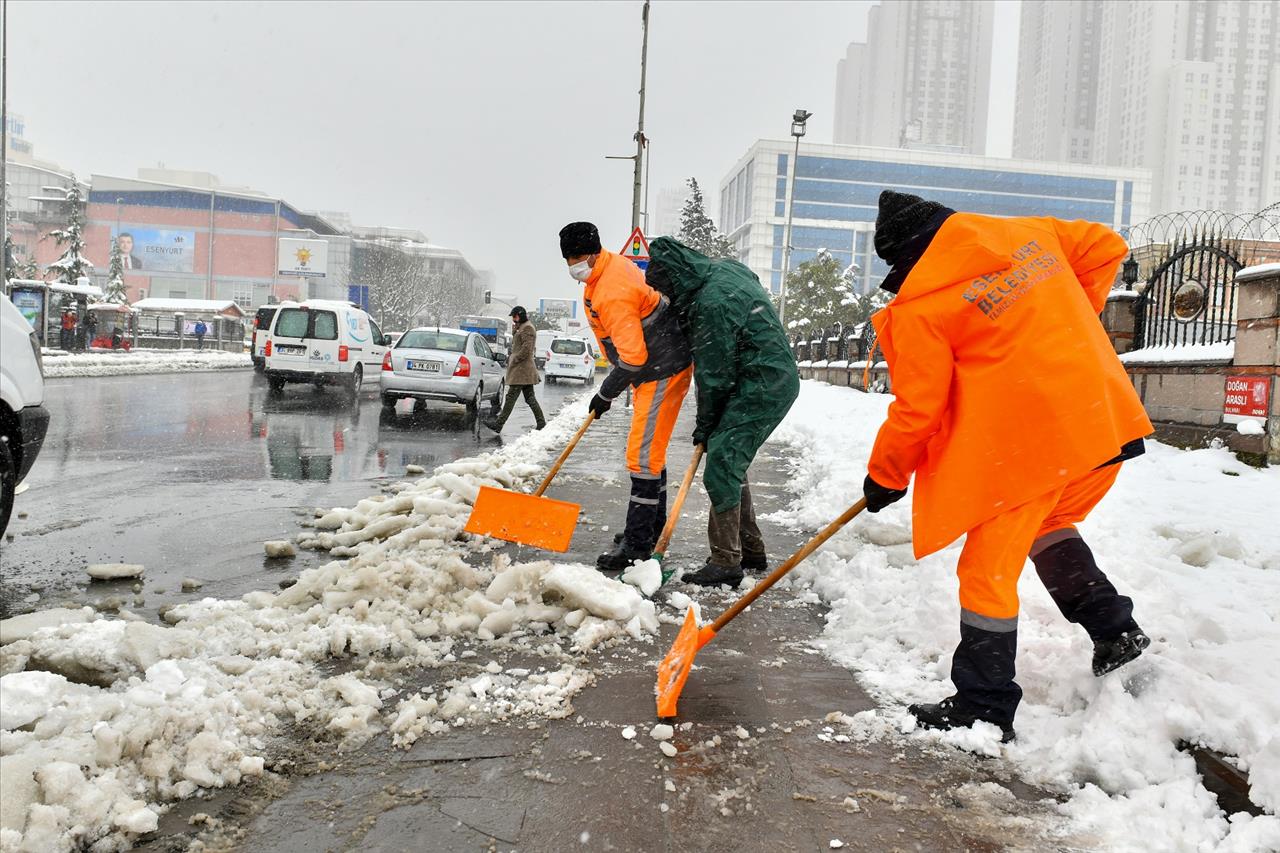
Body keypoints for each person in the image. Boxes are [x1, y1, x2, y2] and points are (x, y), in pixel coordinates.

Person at [862, 190, 1154, 743]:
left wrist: (886, 476)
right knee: (1044, 527)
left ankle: (984, 705)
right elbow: (1104, 246)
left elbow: (917, 409)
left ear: (904, 259)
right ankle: (1115, 631)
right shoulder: (1031, 234)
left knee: (985, 571)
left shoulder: (922, 305)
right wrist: (1067, 326)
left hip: (1030, 447)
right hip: (1100, 418)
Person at [646, 237, 800, 588]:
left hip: (761, 382)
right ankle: (750, 549)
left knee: (721, 465)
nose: (667, 300)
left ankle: (726, 562)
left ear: (674, 280)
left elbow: (714, 376)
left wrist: (705, 425)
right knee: (729, 459)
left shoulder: (711, 304)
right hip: (769, 374)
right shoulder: (722, 270)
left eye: (665, 292)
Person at [559, 221, 693, 571]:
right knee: (651, 452)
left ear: (592, 252)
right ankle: (648, 531)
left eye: (576, 257)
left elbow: (634, 357)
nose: (572, 264)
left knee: (642, 457)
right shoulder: (601, 273)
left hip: (661, 368)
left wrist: (605, 393)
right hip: (658, 365)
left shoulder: (612, 287)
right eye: (568, 258)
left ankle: (637, 545)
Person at [485, 305, 546, 432]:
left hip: (522, 370)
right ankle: (541, 423)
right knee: (530, 398)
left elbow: (526, 349)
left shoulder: (527, 327)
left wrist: (515, 359)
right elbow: (518, 343)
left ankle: (499, 424)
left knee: (511, 397)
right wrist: (515, 331)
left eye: (515, 316)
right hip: (523, 370)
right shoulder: (522, 327)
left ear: (521, 315)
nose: (513, 319)